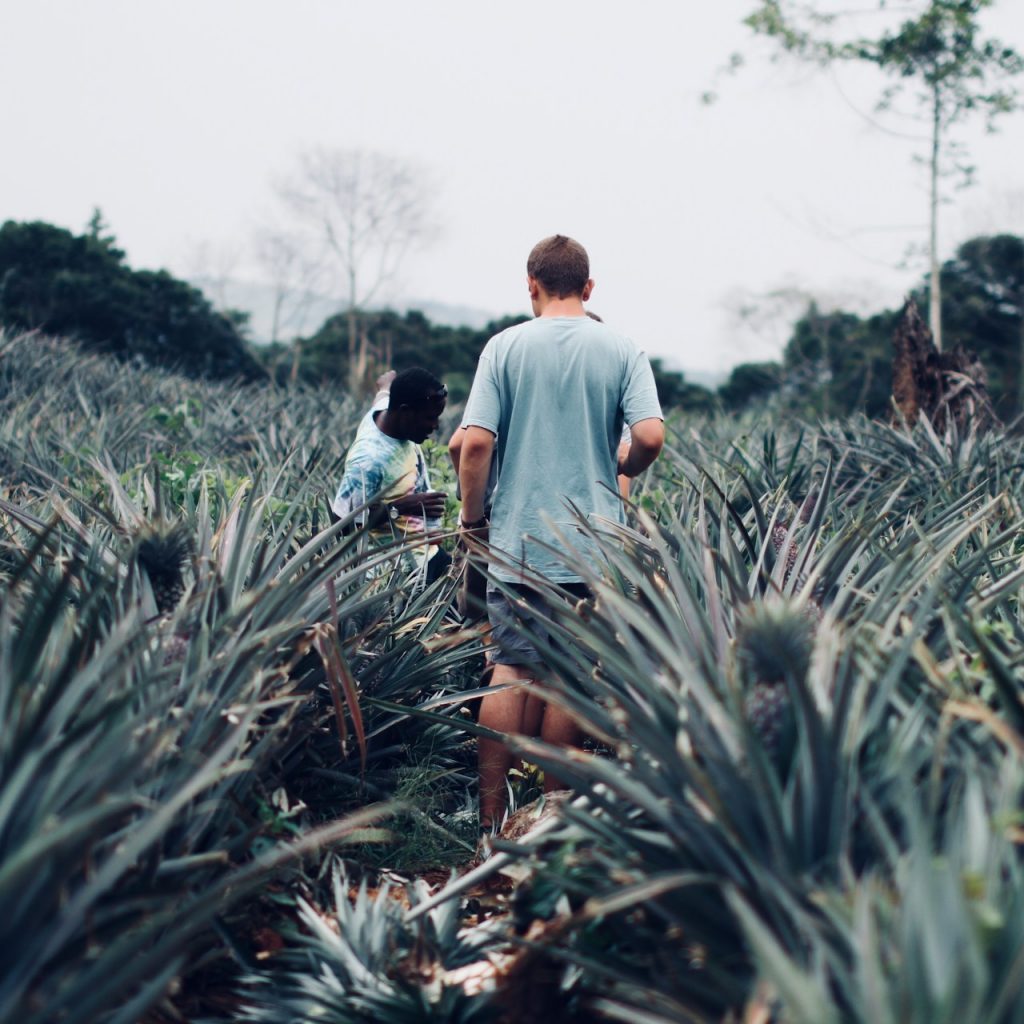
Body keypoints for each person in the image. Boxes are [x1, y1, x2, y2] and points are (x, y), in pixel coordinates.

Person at [457, 234, 665, 830]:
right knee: (569, 673)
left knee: (512, 666)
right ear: (589, 287)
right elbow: (650, 436)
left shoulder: (503, 347)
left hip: (518, 539)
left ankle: (491, 819)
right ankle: (551, 820)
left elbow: (474, 444)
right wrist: (620, 468)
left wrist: (474, 520)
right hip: (593, 543)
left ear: (532, 286)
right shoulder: (622, 348)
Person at [332, 366, 450, 586]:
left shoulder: (388, 408)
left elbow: (385, 393)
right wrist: (401, 507)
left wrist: (387, 384)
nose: (435, 426)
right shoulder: (368, 460)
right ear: (405, 412)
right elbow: (342, 525)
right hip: (397, 576)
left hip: (427, 556)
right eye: (429, 418)